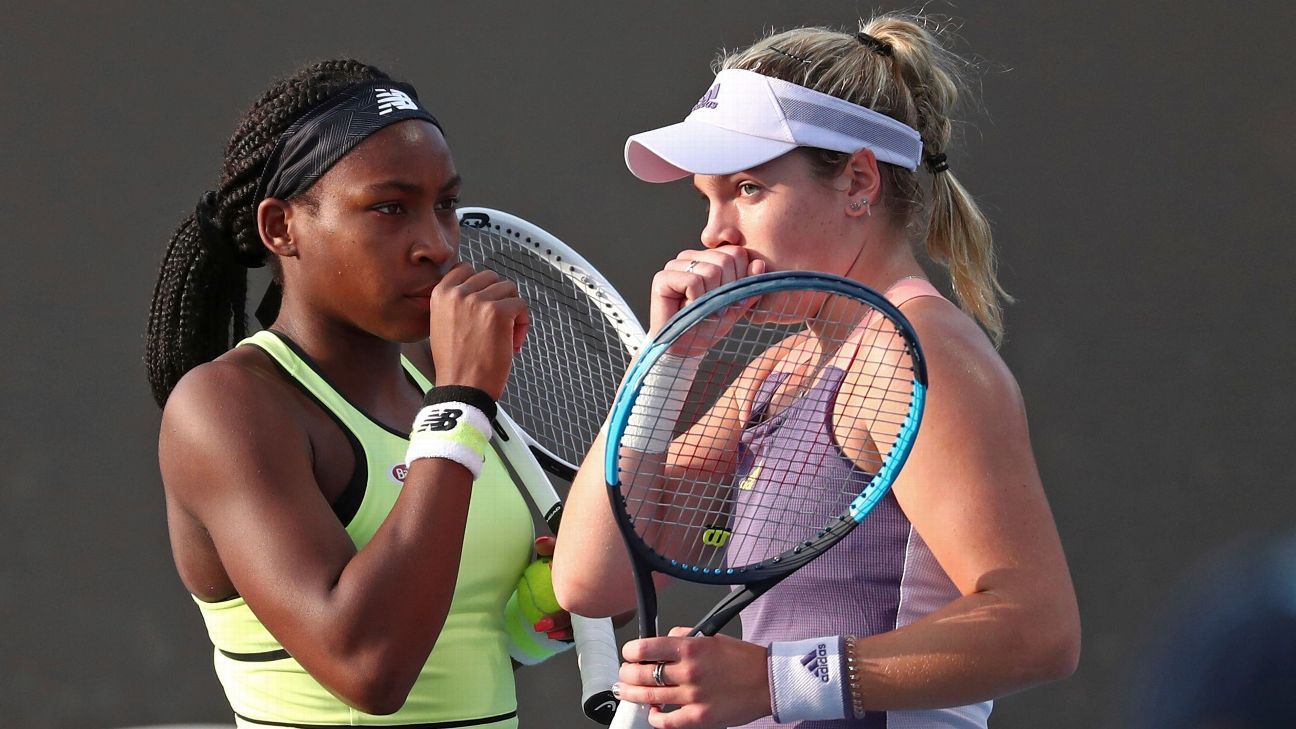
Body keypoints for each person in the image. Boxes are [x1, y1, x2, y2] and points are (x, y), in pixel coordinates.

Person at [552, 14, 1080, 729]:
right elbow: (593, 576)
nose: (713, 233)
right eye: (707, 198)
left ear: (858, 181)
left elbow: (1039, 625)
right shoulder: (787, 365)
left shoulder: (918, 354)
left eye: (748, 190)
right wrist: (666, 357)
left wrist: (776, 680)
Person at [145, 59, 573, 729]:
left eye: (445, 206)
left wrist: (556, 600)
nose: (435, 243)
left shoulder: (440, 403)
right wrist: (461, 401)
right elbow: (369, 665)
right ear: (280, 227)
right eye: (389, 207)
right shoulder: (224, 406)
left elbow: (483, 644)